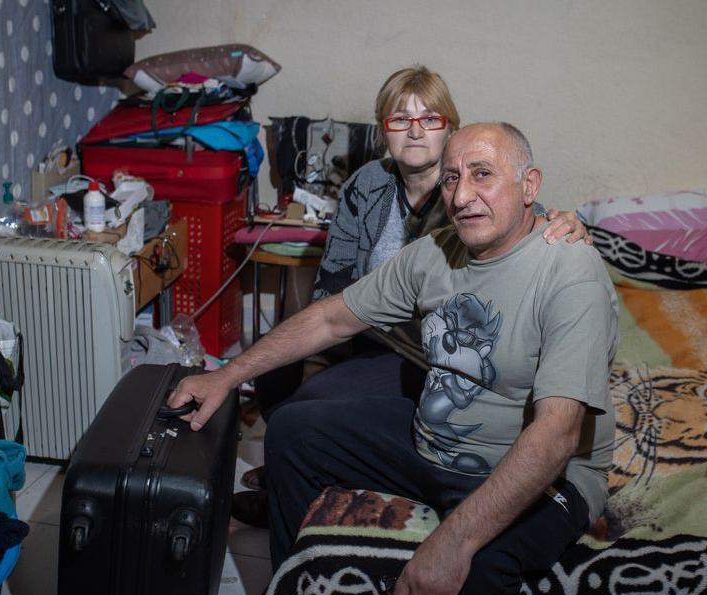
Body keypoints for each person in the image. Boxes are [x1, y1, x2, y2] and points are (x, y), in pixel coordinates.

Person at [175, 122, 618, 595]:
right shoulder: (437, 253)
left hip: (546, 474)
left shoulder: (569, 271)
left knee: (483, 564)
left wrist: (453, 542)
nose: (462, 195)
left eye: (483, 174)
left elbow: (556, 436)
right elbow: (334, 317)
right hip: (437, 442)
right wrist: (227, 376)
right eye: (452, 177)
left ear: (530, 186)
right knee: (292, 430)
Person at [235, 66, 591, 522]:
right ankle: (301, 468)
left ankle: (301, 485)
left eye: (431, 118)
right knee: (276, 369)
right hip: (364, 331)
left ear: (451, 126)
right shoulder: (366, 184)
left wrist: (570, 224)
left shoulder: (466, 195)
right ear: (384, 129)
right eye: (400, 119)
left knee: (312, 402)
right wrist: (318, 359)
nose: (416, 130)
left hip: (428, 354)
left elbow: (525, 218)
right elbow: (334, 280)